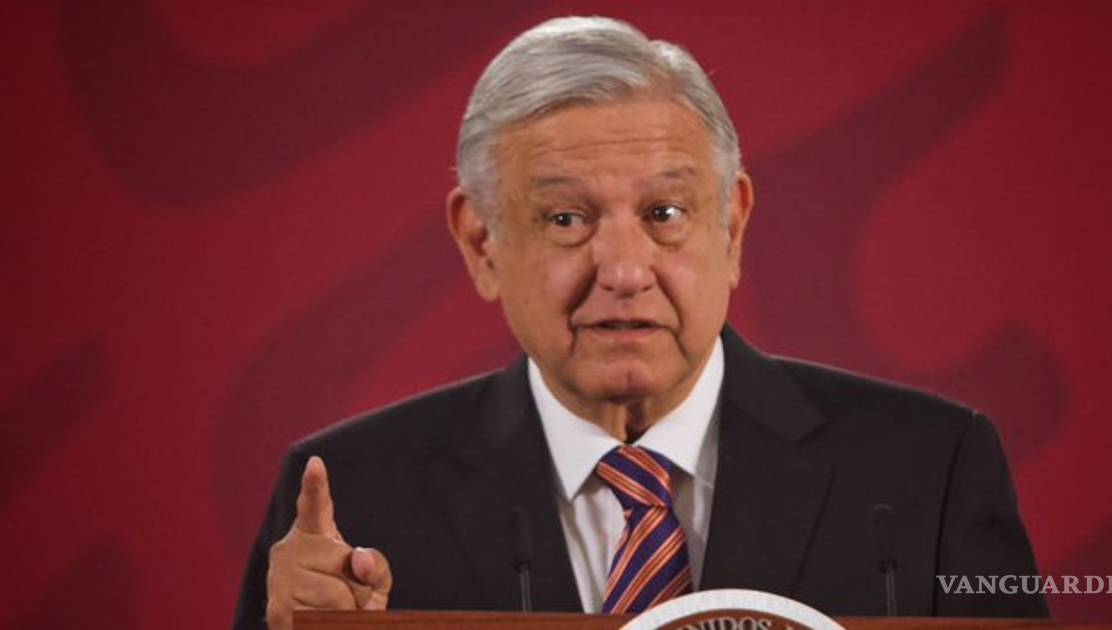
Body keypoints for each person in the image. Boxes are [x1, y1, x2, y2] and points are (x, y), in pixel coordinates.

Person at [233, 16, 1047, 630]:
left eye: (665, 213)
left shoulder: (930, 468)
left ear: (731, 227)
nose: (624, 270)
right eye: (565, 219)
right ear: (482, 243)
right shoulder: (351, 499)